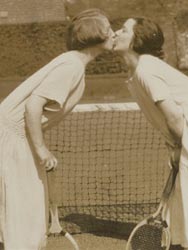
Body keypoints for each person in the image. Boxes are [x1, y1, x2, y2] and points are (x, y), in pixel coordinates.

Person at [113, 17, 188, 250]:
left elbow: (174, 116)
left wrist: (181, 147)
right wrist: (175, 145)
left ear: (137, 39)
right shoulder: (141, 69)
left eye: (123, 30)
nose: (116, 33)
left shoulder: (146, 70)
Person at [0, 8, 114, 250]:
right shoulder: (71, 66)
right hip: (12, 136)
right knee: (25, 214)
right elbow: (33, 106)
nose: (114, 34)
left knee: (19, 210)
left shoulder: (72, 63)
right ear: (96, 36)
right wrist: (42, 150)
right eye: (109, 30)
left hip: (14, 134)